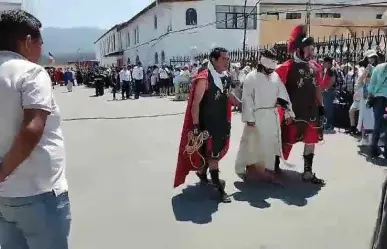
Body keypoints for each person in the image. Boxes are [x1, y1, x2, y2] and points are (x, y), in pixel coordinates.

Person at [0, 10, 70, 249]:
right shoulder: (30, 72)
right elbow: (32, 129)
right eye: (40, 42)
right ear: (27, 41)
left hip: (4, 199)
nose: (41, 50)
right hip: (38, 193)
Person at [173, 47, 241, 203]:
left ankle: (202, 173)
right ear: (214, 60)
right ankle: (219, 188)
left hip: (221, 122)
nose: (227, 61)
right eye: (223, 58)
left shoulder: (226, 76)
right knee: (213, 155)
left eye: (227, 58)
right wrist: (196, 126)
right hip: (207, 124)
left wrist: (241, 104)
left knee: (211, 153)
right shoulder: (204, 78)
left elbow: (227, 93)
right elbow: (195, 104)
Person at [273, 25, 330, 185]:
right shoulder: (285, 67)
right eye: (309, 48)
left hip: (310, 111)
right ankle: (274, 169)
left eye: (312, 48)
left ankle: (307, 172)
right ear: (299, 49)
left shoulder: (316, 67)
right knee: (285, 140)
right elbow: (275, 90)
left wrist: (321, 106)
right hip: (292, 112)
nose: (312, 51)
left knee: (311, 140)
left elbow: (318, 87)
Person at [235, 49, 292, 184]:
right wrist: (249, 118)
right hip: (256, 117)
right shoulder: (251, 77)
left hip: (272, 117)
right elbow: (247, 98)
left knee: (270, 145)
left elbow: (283, 94)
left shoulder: (275, 77)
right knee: (252, 145)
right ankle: (251, 170)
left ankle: (268, 171)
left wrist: (289, 111)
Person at [367, 52, 387, 158]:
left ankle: (374, 149)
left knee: (377, 124)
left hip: (378, 99)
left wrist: (370, 97)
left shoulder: (378, 68)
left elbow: (372, 84)